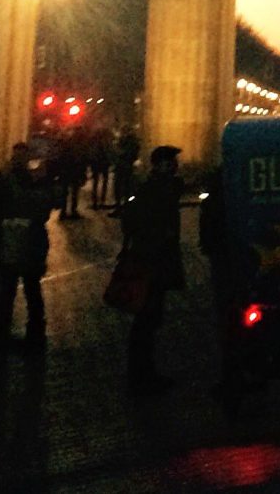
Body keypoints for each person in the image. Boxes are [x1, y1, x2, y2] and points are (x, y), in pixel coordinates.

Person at [119, 143, 185, 394]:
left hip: (153, 260)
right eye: (172, 162)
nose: (176, 166)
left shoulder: (154, 188)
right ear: (162, 165)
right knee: (147, 318)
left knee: (149, 319)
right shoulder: (156, 190)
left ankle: (143, 372)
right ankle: (141, 375)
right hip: (152, 262)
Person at [0, 142, 53, 347]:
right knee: (22, 289)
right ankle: (24, 331)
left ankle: (17, 331)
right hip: (20, 241)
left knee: (21, 289)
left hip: (26, 242)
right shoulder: (7, 180)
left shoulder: (18, 181)